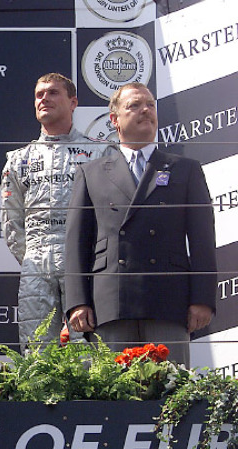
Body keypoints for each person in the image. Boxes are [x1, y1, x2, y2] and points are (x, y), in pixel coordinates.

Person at [65, 82, 217, 366]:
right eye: (134, 105)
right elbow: (77, 243)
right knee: (114, 398)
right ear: (115, 119)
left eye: (150, 104)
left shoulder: (185, 169)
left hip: (168, 302)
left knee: (171, 399)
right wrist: (77, 302)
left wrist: (203, 299)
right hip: (110, 303)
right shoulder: (91, 173)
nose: (145, 110)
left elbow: (202, 240)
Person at [1, 73, 111, 351]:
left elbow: (110, 216)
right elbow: (12, 222)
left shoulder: (100, 153)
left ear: (73, 102)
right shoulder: (18, 159)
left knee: (88, 348)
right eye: (39, 95)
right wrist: (31, 256)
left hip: (85, 260)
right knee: (36, 350)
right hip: (36, 261)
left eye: (52, 93)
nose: (44, 99)